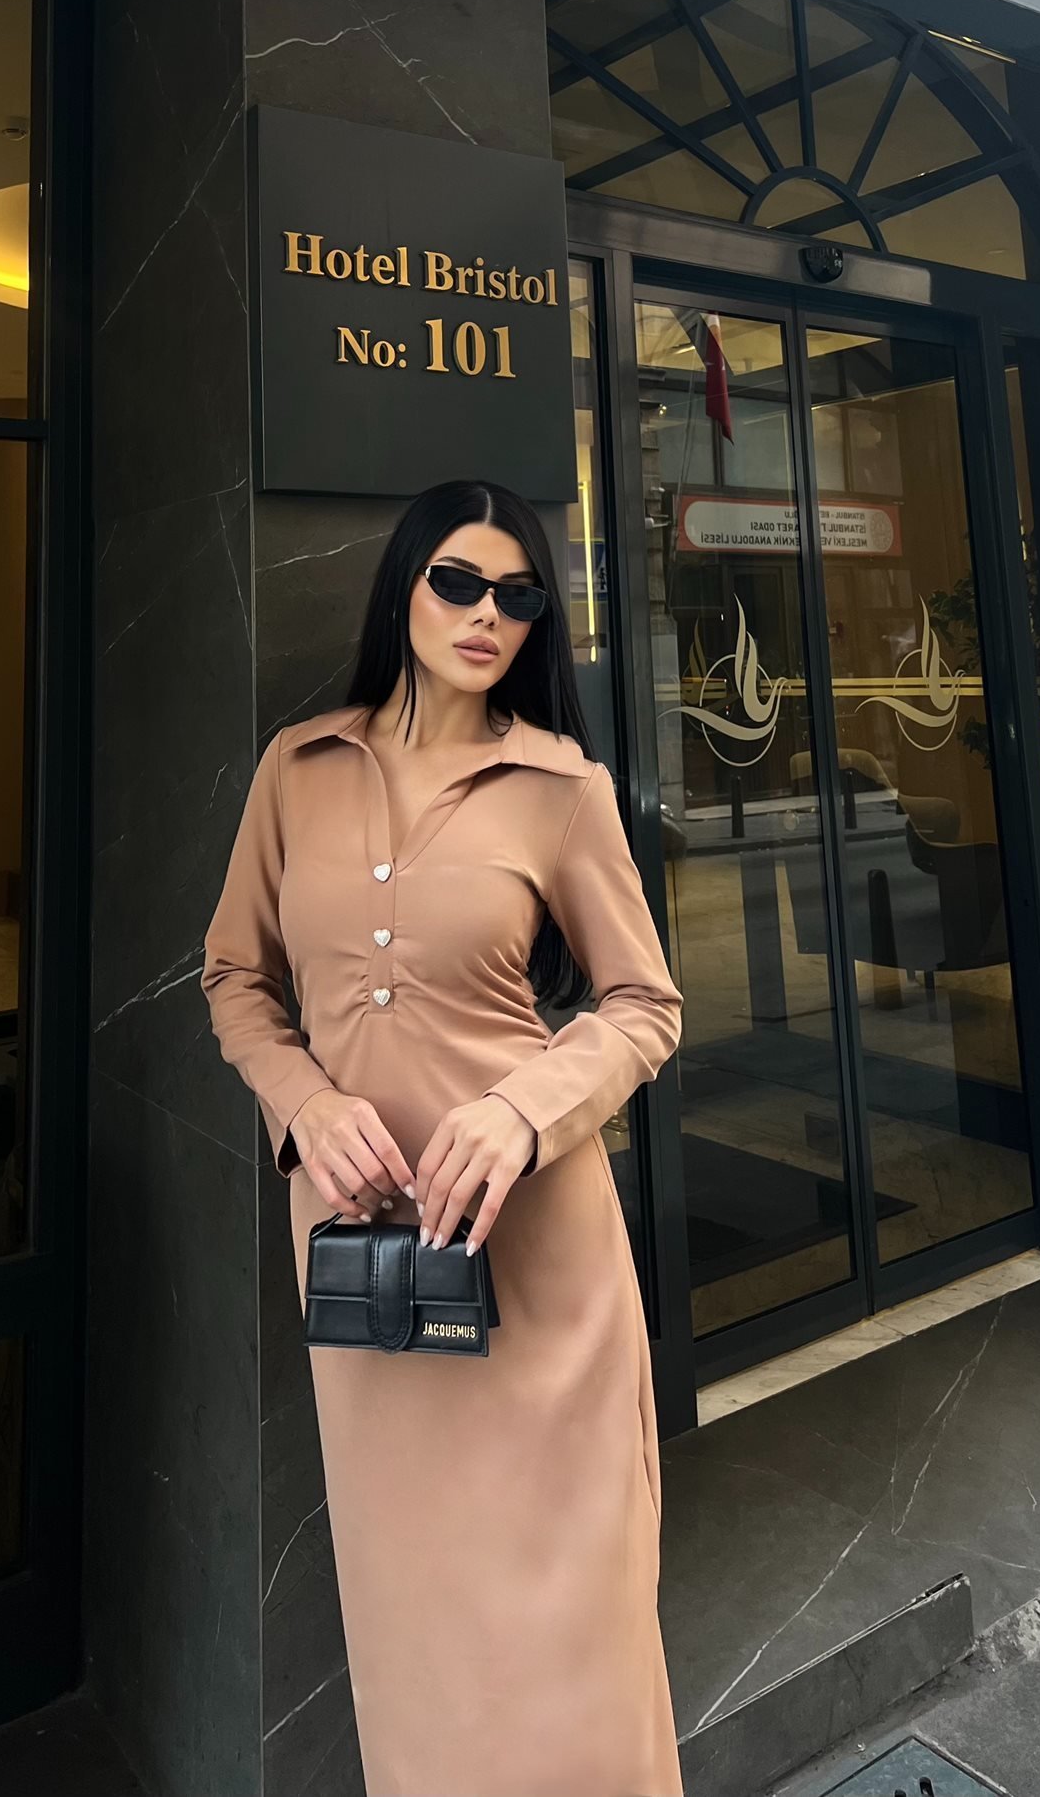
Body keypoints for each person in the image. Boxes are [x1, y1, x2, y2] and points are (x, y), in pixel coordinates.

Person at [200, 478, 685, 1797]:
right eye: (457, 583)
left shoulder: (560, 786)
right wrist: (304, 1103)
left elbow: (644, 1006)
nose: (486, 615)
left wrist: (522, 1111)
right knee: (413, 1620)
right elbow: (234, 976)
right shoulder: (298, 769)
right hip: (367, 1265)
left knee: (571, 1619)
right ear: (403, 589)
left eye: (516, 596)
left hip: (537, 1260)